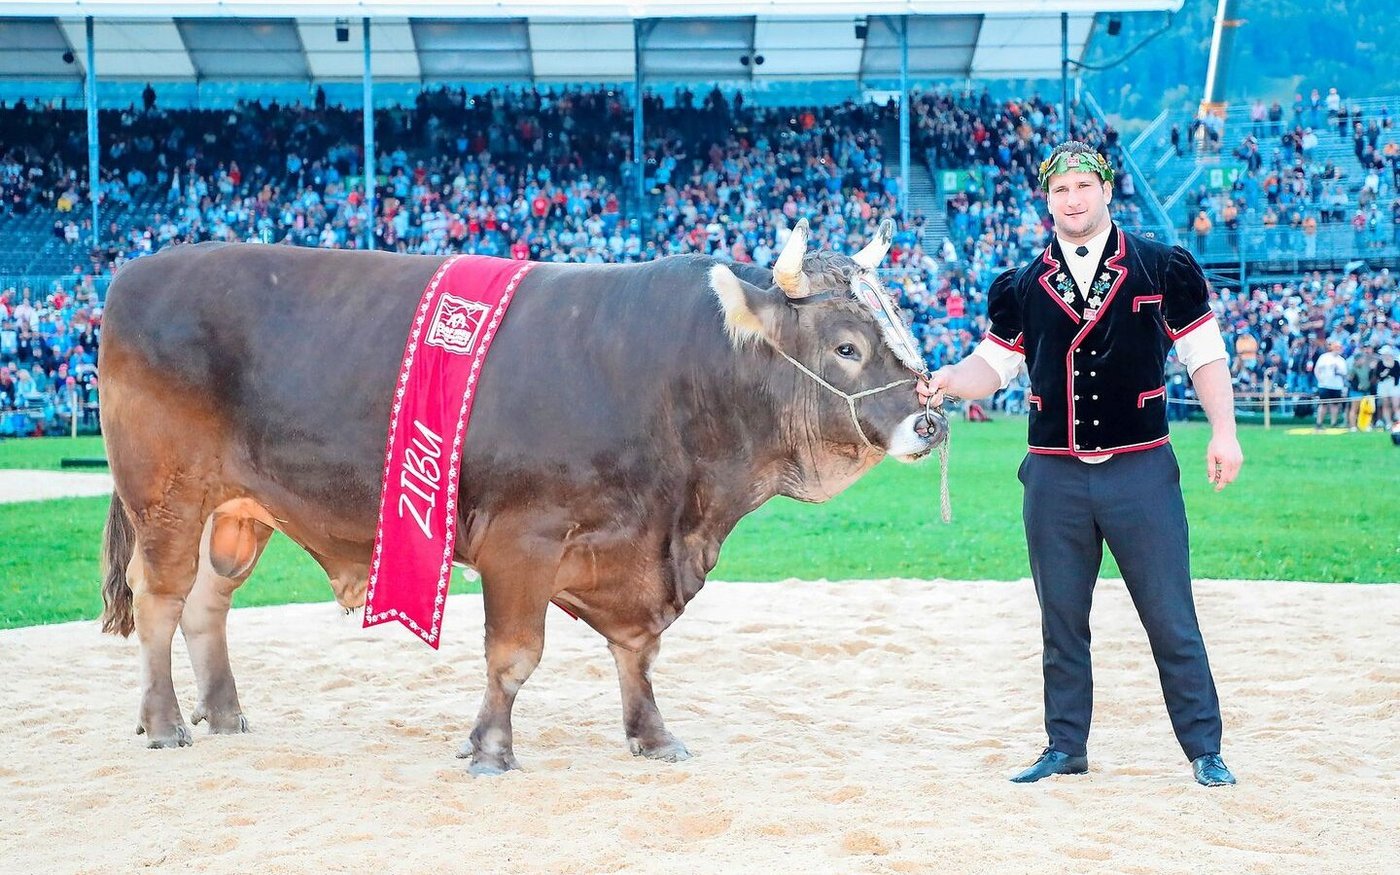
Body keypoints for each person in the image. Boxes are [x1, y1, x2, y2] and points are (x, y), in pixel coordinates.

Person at [917, 142, 1243, 788]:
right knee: (1061, 619)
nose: (1073, 199)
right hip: (1054, 474)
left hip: (1141, 469)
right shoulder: (1021, 285)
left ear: (1106, 190)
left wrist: (1225, 432)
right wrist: (953, 379)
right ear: (1048, 200)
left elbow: (1204, 354)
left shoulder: (1162, 266)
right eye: (1061, 189)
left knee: (1170, 615)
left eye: (1083, 186)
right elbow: (994, 365)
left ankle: (1204, 748)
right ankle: (1065, 744)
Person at [1313, 339, 1348, 429]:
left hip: (1336, 385)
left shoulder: (1341, 360)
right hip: (1324, 385)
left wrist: (1338, 370)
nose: (1338, 349)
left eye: (1339, 347)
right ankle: (1319, 423)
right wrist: (1320, 380)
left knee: (1335, 405)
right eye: (1336, 347)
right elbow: (1317, 369)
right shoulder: (1324, 357)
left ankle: (1333, 423)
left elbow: (1344, 373)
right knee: (1323, 404)